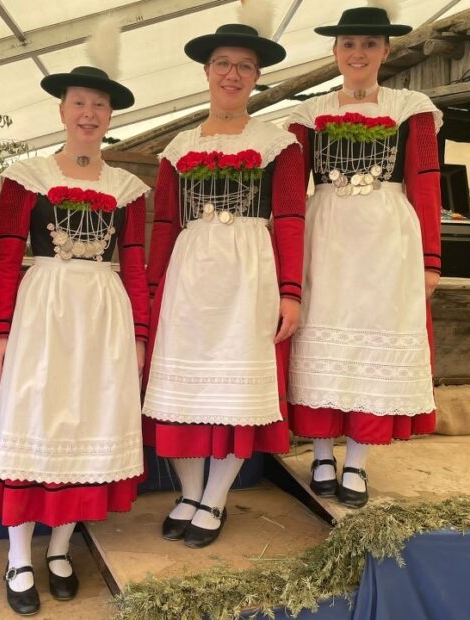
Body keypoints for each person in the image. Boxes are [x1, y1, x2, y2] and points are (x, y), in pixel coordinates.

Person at [0, 64, 149, 615]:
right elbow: (6, 259)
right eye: (79, 103)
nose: (89, 114)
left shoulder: (127, 188)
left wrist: (139, 335)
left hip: (103, 316)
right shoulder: (28, 177)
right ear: (62, 110)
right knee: (36, 420)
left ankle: (61, 547)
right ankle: (18, 556)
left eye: (99, 105)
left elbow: (134, 265)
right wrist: (1, 332)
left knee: (86, 420)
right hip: (43, 311)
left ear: (110, 116)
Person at [143, 19, 305, 549]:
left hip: (248, 277)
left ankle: (215, 496)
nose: (232, 74)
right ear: (207, 71)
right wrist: (152, 289)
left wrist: (290, 291)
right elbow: (165, 224)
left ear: (256, 77)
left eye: (244, 66)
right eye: (223, 64)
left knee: (237, 392)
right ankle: (190, 492)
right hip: (188, 278)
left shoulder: (278, 144)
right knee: (183, 390)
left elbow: (290, 220)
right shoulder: (178, 147)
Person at [285, 3, 442, 509]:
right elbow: (290, 191)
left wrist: (431, 260)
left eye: (369, 44)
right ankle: (321, 453)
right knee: (320, 334)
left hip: (387, 243)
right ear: (335, 51)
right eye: (349, 44)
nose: (358, 53)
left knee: (373, 342)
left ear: (386, 51)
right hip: (325, 239)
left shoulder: (410, 107)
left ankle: (357, 459)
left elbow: (426, 183)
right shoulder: (308, 114)